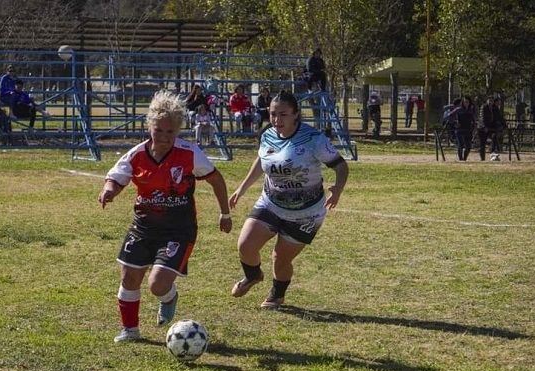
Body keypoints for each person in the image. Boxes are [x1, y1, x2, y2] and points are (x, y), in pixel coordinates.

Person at [97, 90, 232, 343]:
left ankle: (168, 296)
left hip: (178, 230)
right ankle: (130, 330)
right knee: (129, 276)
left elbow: (215, 179)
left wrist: (225, 213)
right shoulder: (137, 154)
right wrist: (109, 191)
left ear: (178, 130)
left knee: (157, 284)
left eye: (170, 132)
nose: (164, 137)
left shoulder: (189, 153)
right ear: (149, 126)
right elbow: (116, 178)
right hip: (143, 227)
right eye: (158, 130)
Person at [227, 90, 349, 309]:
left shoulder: (313, 139)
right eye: (273, 114)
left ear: (296, 115)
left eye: (283, 114)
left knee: (280, 259)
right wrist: (241, 189)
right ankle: (253, 276)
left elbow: (340, 165)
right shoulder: (267, 135)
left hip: (306, 213)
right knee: (245, 245)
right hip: (271, 203)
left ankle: (277, 294)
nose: (276, 120)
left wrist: (338, 189)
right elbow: (262, 159)